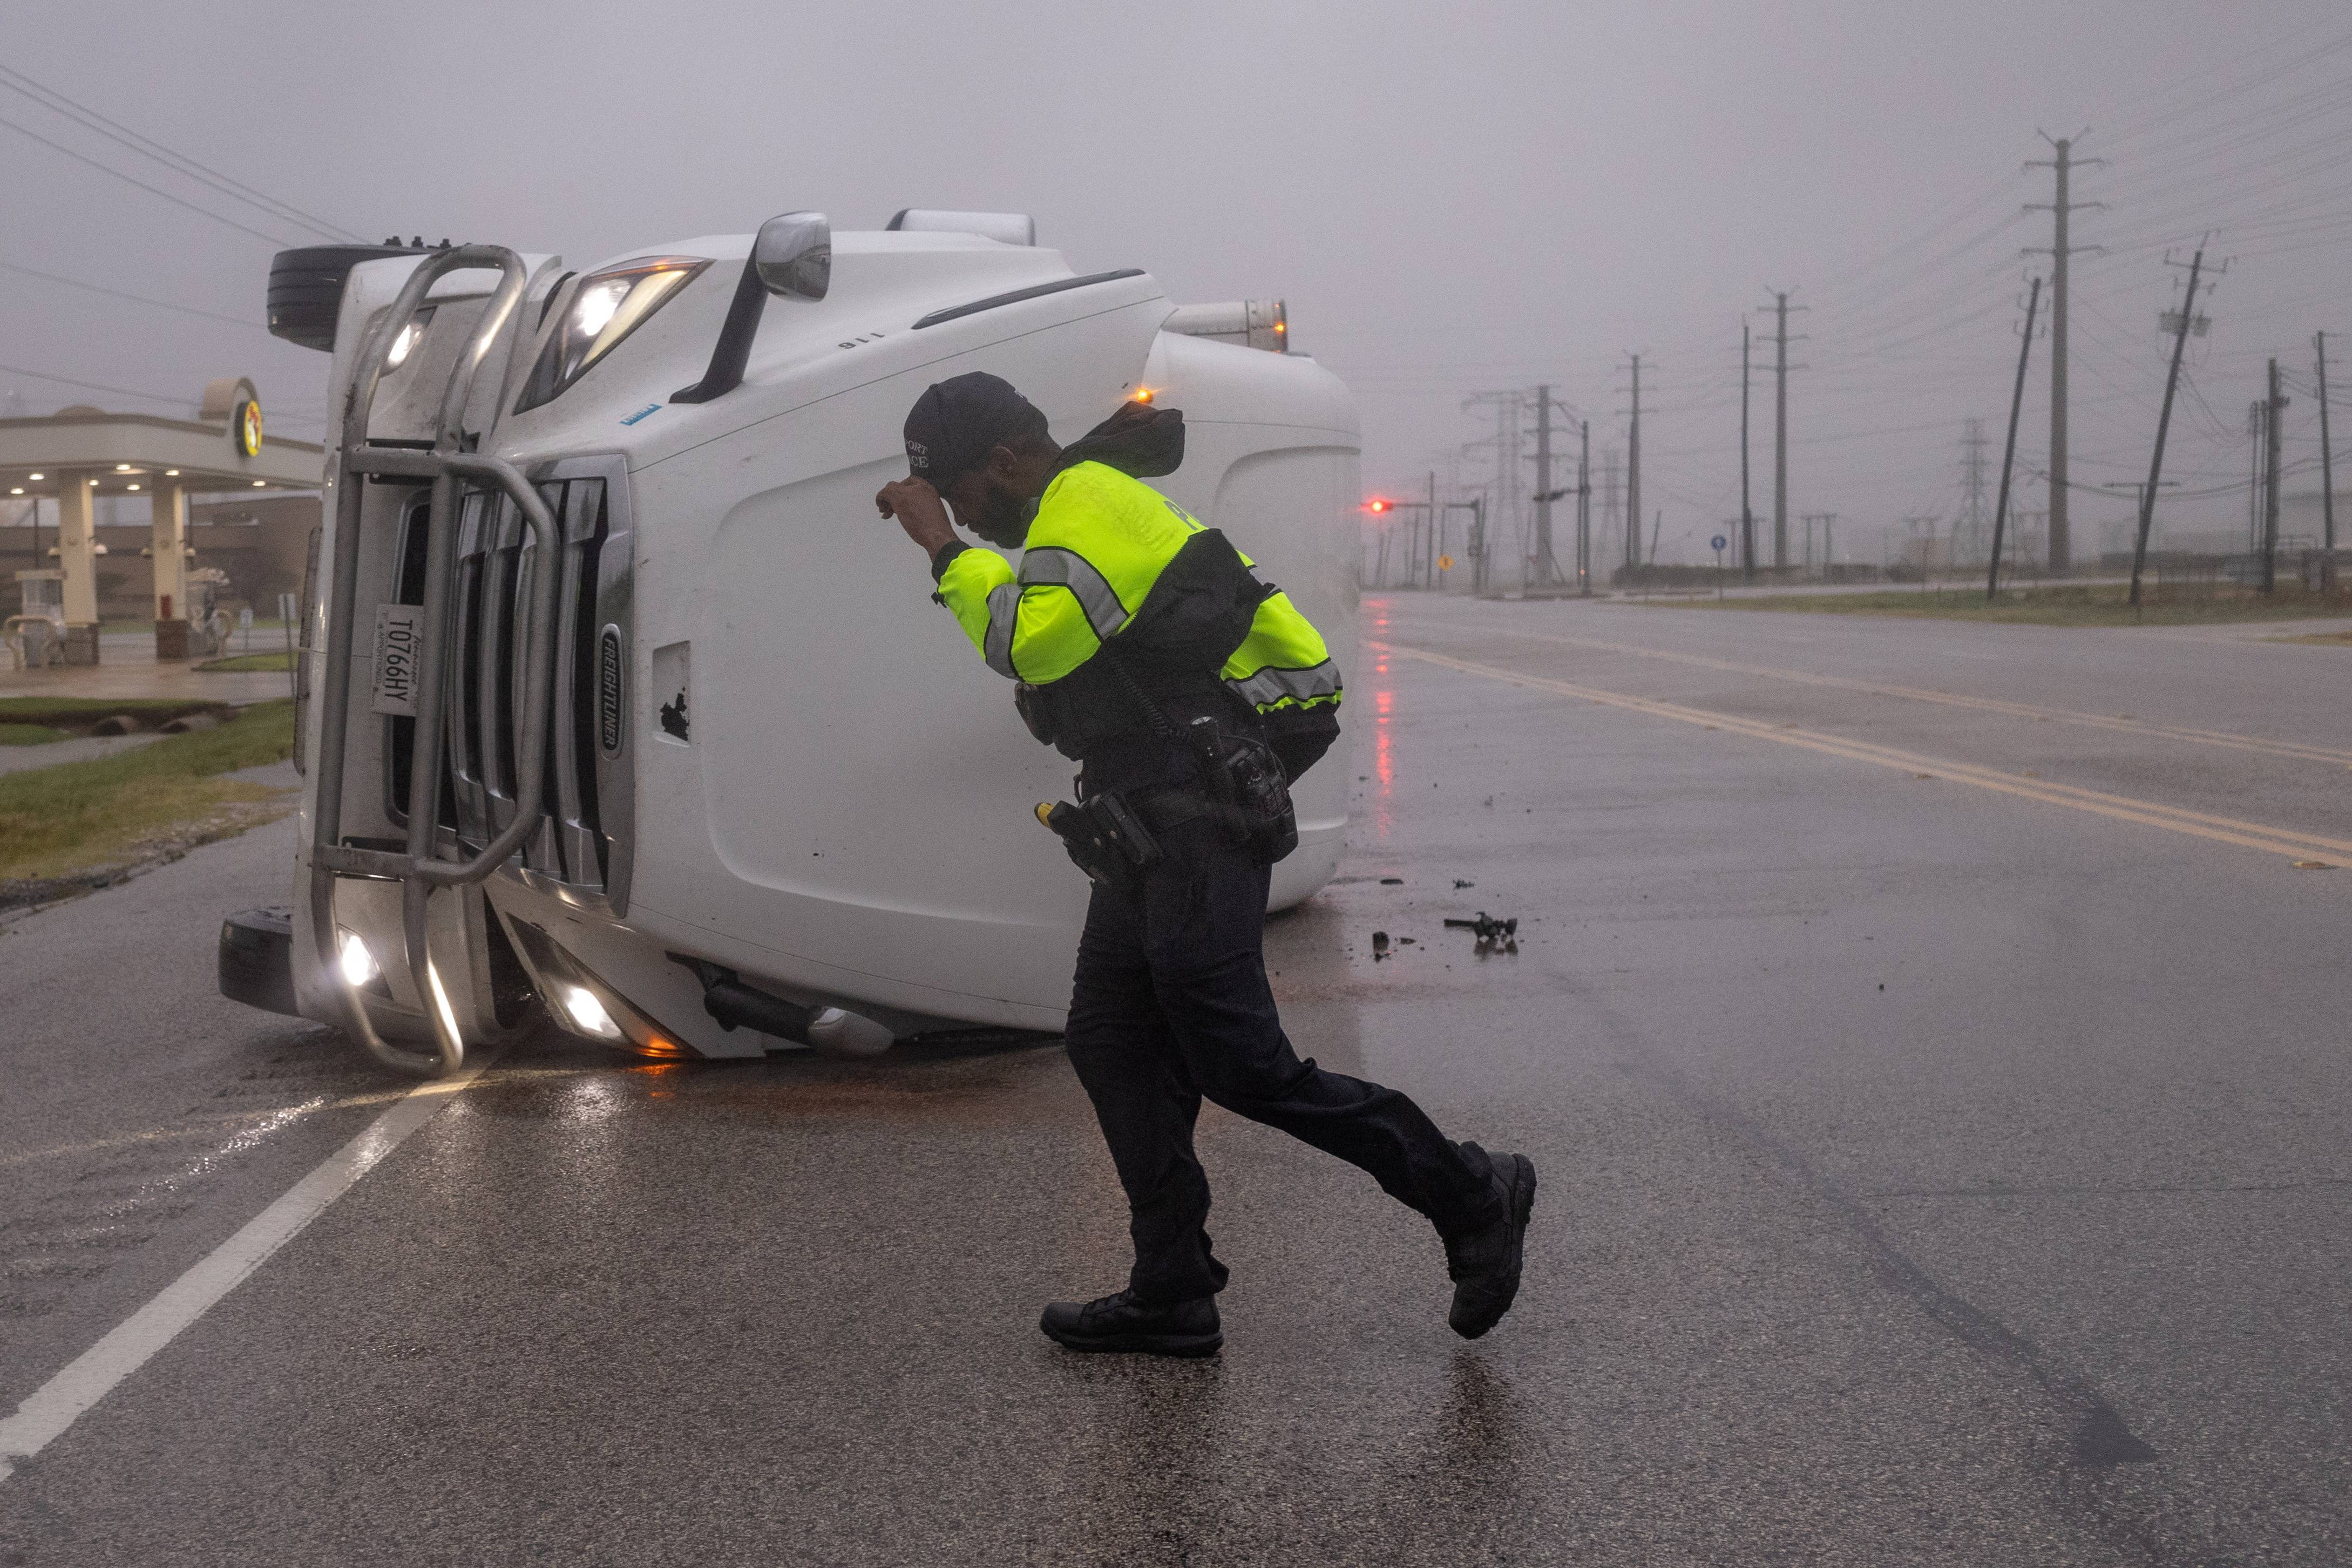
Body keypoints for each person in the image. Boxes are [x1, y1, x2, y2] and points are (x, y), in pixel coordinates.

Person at [876, 371, 1536, 1357]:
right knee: (1108, 1038)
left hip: (1196, 814)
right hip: (1144, 814)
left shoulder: (1084, 505)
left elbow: (1027, 644)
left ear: (1004, 463)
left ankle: (1473, 1191)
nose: (967, 515)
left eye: (963, 492)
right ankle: (1171, 1286)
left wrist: (940, 546)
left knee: (1239, 1063)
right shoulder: (1079, 504)